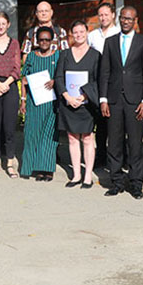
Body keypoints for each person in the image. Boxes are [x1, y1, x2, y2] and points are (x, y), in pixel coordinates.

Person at [99, 6, 143, 199]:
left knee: (135, 144)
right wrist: (103, 99)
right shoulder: (110, 42)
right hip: (113, 100)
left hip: (135, 101)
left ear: (135, 20)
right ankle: (117, 182)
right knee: (114, 143)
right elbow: (104, 72)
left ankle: (136, 183)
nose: (125, 21)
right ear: (119, 18)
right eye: (123, 18)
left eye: (129, 19)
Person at [55, 20, 100, 188]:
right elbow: (59, 77)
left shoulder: (95, 55)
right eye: (76, 32)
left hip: (86, 104)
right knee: (72, 138)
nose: (79, 35)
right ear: (71, 34)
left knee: (87, 138)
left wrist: (83, 96)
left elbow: (98, 80)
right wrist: (67, 96)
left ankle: (88, 175)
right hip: (68, 103)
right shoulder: (65, 54)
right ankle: (76, 175)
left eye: (82, 31)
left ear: (86, 32)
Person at [20, 26, 60, 181]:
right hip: (34, 102)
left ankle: (47, 169)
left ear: (51, 41)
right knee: (32, 134)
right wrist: (23, 100)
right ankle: (32, 167)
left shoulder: (58, 55)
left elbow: (63, 74)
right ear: (36, 40)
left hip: (51, 102)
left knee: (49, 136)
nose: (44, 42)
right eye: (41, 39)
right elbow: (24, 79)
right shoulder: (31, 56)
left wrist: (55, 81)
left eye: (47, 40)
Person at [0, 12, 21, 179]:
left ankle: (10, 162)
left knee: (9, 128)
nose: (0, 26)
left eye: (3, 23)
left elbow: (17, 68)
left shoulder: (14, 44)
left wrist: (5, 84)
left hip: (10, 86)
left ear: (8, 25)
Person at [87, 2, 119, 166]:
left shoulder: (120, 33)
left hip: (115, 83)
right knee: (100, 123)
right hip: (97, 82)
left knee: (116, 123)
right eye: (100, 15)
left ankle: (120, 157)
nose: (103, 18)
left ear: (113, 15)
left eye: (106, 14)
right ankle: (100, 156)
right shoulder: (92, 36)